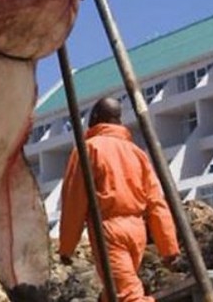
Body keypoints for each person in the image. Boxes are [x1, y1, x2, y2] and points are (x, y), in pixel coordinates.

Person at [58, 97, 180, 302]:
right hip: (137, 231)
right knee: (114, 291)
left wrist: (67, 247)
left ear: (95, 118)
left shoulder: (88, 149)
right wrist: (168, 246)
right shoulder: (136, 153)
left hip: (109, 230)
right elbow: (155, 202)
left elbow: (74, 201)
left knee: (128, 295)